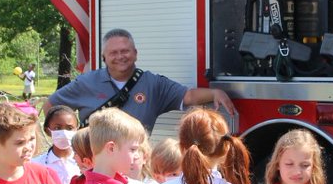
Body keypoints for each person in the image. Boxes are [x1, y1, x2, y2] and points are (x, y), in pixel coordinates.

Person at [47, 29, 236, 135]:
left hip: (136, 165)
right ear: (104, 57)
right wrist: (61, 137)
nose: (120, 56)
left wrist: (214, 93)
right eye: (113, 53)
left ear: (135, 53)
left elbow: (188, 95)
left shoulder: (153, 84)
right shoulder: (86, 82)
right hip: (94, 167)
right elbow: (51, 106)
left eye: (125, 51)